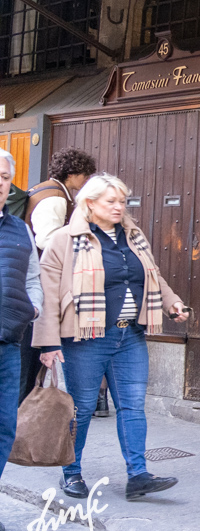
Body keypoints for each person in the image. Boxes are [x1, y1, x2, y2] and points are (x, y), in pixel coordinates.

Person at [34, 174, 190, 501]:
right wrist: (48, 343)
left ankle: (138, 476)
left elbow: (153, 275)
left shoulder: (133, 235)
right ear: (90, 204)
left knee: (132, 406)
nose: (119, 207)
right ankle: (71, 473)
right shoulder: (64, 240)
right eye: (111, 201)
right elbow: (48, 294)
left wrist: (172, 302)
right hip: (85, 338)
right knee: (82, 408)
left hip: (129, 335)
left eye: (123, 201)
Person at [22, 147, 97, 407]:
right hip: (39, 280)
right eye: (84, 176)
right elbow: (47, 238)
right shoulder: (55, 197)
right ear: (73, 174)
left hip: (35, 278)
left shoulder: (47, 189)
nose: (85, 182)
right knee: (28, 362)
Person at [0, 149, 43, 531]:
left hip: (8, 343)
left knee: (3, 426)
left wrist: (33, 309)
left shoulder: (20, 229)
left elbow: (33, 279)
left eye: (2, 177)